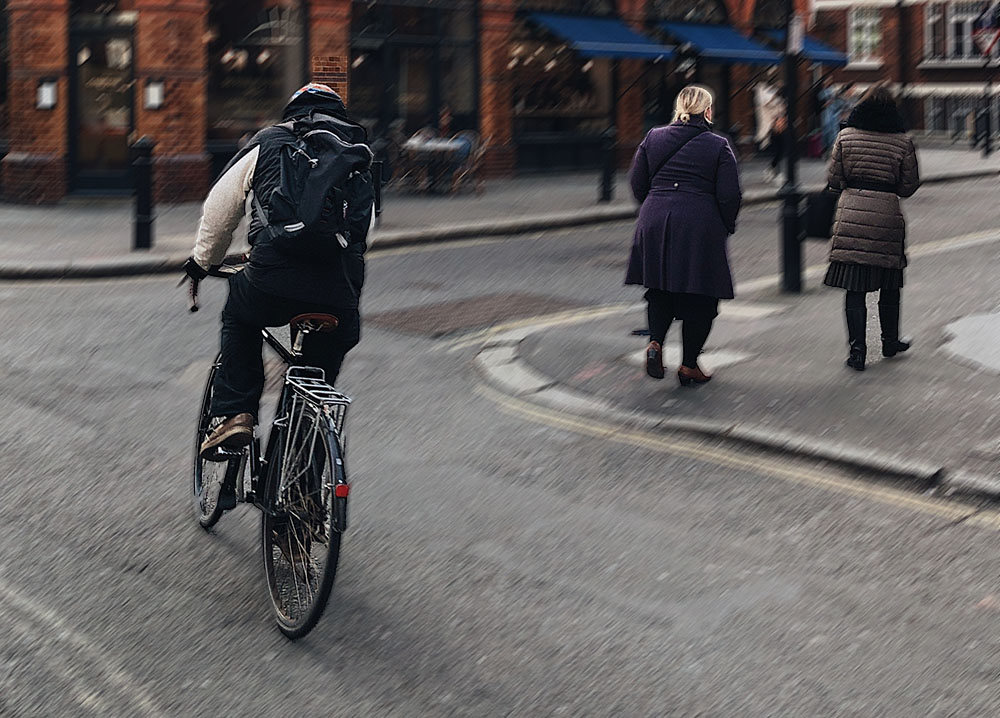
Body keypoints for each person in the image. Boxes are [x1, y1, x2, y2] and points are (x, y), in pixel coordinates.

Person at [184, 83, 375, 503]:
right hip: (338, 298)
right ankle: (304, 494)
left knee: (239, 311)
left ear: (292, 111)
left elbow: (221, 209)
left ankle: (236, 411)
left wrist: (201, 262)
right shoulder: (357, 156)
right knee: (316, 386)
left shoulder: (269, 142)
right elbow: (363, 237)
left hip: (271, 279)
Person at [625, 84, 742, 387]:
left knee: (660, 287)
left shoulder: (654, 137)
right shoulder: (718, 145)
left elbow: (637, 183)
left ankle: (655, 343)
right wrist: (725, 224)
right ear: (707, 111)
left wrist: (655, 206)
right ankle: (689, 365)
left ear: (678, 109)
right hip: (699, 224)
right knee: (701, 296)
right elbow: (730, 195)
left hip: (655, 219)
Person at [823, 84, 920, 371]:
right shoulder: (903, 141)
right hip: (887, 216)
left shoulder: (845, 136)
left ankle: (857, 352)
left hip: (852, 213)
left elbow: (834, 178)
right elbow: (909, 185)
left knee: (855, 288)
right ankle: (890, 341)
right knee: (889, 284)